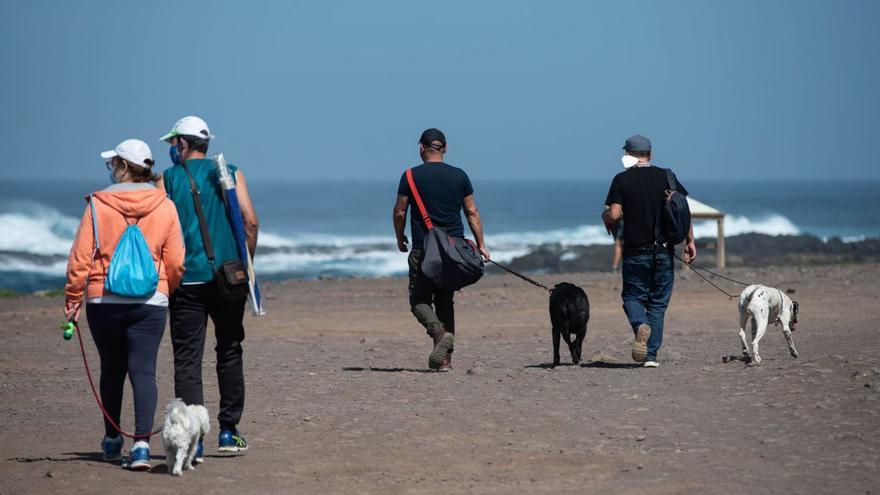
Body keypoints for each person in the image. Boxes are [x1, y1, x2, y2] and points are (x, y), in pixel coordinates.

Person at [64, 139, 185, 470]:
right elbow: (175, 261)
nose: (111, 168)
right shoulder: (166, 205)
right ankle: (142, 447)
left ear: (122, 167)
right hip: (151, 301)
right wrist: (165, 290)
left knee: (112, 369)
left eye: (113, 162)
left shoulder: (98, 204)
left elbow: (79, 259)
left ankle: (113, 441)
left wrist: (73, 298)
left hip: (104, 300)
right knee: (144, 370)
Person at [156, 116, 259, 456]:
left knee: (187, 360)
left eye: (173, 143)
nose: (172, 149)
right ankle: (229, 432)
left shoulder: (166, 180)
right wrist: (246, 263)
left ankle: (193, 441)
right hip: (230, 277)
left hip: (187, 279)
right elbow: (250, 220)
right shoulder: (231, 171)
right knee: (229, 350)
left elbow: (159, 233)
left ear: (183, 144)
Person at [393, 128, 489, 371]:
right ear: (445, 149)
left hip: (423, 249)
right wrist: (481, 245)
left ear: (421, 148)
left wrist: (399, 236)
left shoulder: (410, 176)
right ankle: (445, 361)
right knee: (445, 301)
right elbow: (472, 212)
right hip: (452, 251)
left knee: (419, 301)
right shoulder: (460, 176)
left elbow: (400, 211)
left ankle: (438, 333)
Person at [602, 134, 696, 368]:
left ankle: (639, 325)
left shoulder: (622, 180)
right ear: (650, 154)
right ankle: (651, 356)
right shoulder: (667, 177)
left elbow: (614, 214)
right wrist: (690, 242)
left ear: (627, 155)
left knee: (632, 297)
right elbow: (683, 210)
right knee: (657, 304)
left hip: (635, 252)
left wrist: (605, 217)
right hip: (664, 252)